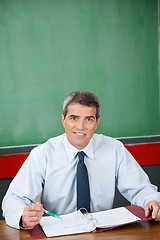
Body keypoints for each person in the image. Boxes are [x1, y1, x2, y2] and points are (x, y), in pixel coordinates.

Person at [2, 91, 160, 230]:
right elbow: (14, 199)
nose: (81, 126)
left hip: (102, 231)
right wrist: (22, 217)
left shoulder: (114, 149)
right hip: (58, 232)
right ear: (63, 120)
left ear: (97, 123)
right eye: (74, 118)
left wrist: (151, 201)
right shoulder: (43, 153)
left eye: (89, 119)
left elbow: (141, 189)